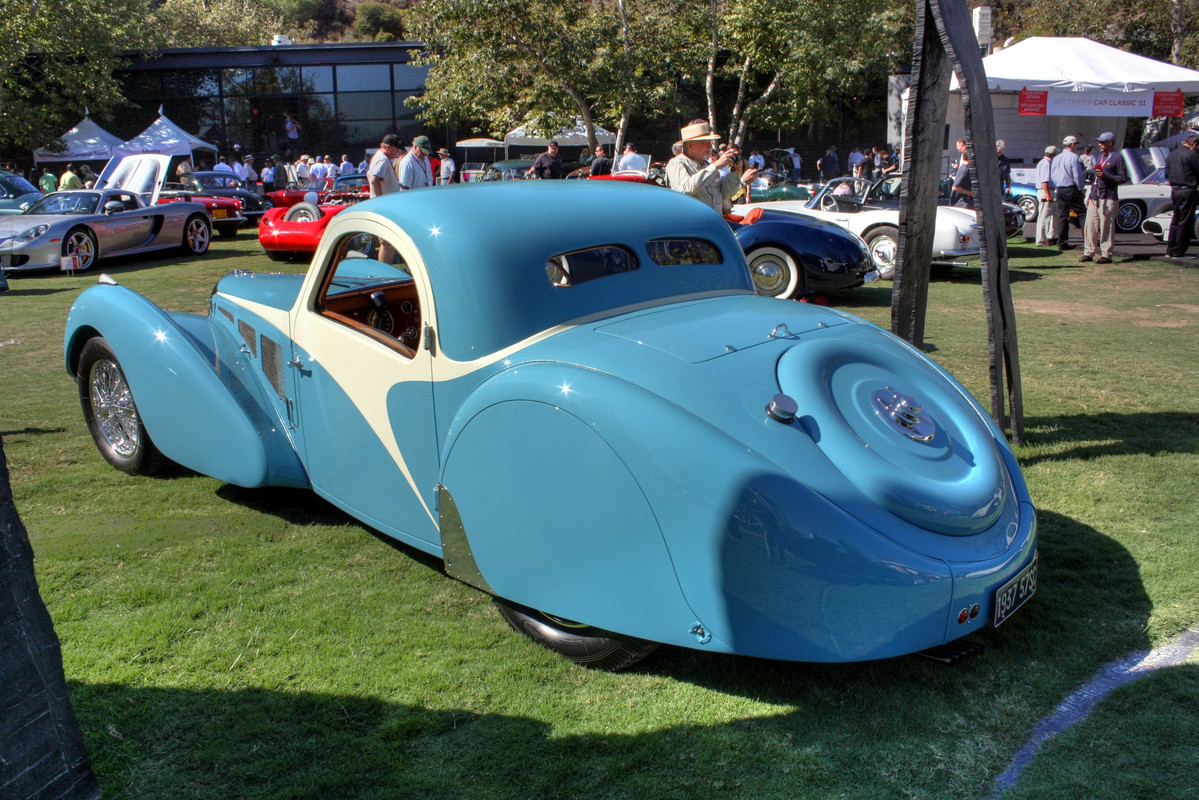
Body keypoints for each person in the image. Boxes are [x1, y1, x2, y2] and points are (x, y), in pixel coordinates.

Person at [664, 119, 758, 215]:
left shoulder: (708, 165)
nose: (710, 146)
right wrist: (715, 165)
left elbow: (724, 194)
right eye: (705, 142)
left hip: (713, 224)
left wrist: (735, 170)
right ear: (690, 145)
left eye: (710, 141)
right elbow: (685, 189)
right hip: (691, 226)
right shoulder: (676, 163)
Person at [1081, 132, 1126, 264]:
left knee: (1107, 225)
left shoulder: (1117, 157)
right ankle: (1089, 252)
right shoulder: (1100, 157)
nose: (1100, 145)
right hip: (1096, 196)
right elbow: (1096, 178)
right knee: (1090, 224)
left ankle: (1106, 254)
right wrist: (1091, 194)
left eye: (1102, 142)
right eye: (1099, 142)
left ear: (1110, 143)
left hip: (1109, 196)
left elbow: (1122, 178)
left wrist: (1106, 176)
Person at [1164, 133, 1199, 260]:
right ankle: (1179, 251)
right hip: (1187, 189)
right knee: (1185, 221)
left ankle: (1170, 249)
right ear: (1194, 144)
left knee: (1176, 220)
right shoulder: (1191, 154)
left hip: (1175, 190)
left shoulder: (1172, 154)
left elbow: (1167, 174)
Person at [1051, 135, 1086, 250]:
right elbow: (1077, 174)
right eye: (1075, 144)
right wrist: (1081, 188)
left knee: (1062, 216)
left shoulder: (1056, 158)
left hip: (1060, 188)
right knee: (1082, 214)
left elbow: (1053, 175)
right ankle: (1087, 240)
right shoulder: (1074, 157)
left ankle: (1062, 242)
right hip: (1071, 187)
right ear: (1072, 145)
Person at [1034, 145, 1058, 246]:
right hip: (1046, 191)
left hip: (1047, 190)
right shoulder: (1046, 164)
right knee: (1044, 217)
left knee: (1053, 215)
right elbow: (1044, 181)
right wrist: (1048, 194)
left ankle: (1051, 236)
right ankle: (1041, 240)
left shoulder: (1045, 163)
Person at [950, 138, 973, 208]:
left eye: (957, 146)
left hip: (967, 201)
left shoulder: (967, 169)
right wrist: (970, 193)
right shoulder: (964, 169)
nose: (957, 148)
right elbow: (955, 187)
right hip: (962, 203)